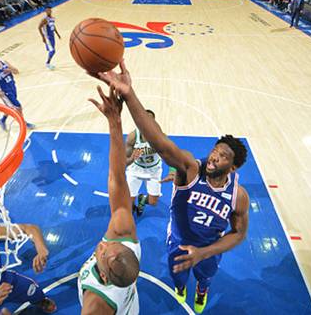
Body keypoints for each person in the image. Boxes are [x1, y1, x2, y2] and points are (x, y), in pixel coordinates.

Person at [92, 61, 250, 314]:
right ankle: (182, 288)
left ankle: (201, 289)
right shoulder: (190, 169)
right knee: (178, 281)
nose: (213, 157)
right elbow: (161, 143)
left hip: (209, 249)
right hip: (177, 242)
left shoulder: (238, 196)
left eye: (222, 157)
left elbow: (238, 233)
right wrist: (130, 95)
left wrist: (204, 252)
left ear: (232, 168)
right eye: (214, 151)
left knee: (204, 278)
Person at [78, 85, 140, 314]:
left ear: (103, 276)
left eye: (102, 254)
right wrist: (115, 121)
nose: (103, 245)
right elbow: (117, 177)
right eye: (110, 245)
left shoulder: (95, 305)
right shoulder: (124, 234)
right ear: (129, 248)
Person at [0, 50, 35, 131]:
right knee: (18, 107)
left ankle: (2, 120)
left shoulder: (4, 62)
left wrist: (10, 70)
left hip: (12, 87)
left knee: (10, 107)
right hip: (4, 92)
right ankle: (23, 124)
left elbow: (17, 71)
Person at [125, 109, 163, 216]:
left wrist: (172, 170)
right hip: (135, 170)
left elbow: (172, 155)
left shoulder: (160, 137)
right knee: (129, 205)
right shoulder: (132, 137)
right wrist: (132, 158)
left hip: (153, 171)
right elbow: (124, 162)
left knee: (153, 202)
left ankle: (142, 200)